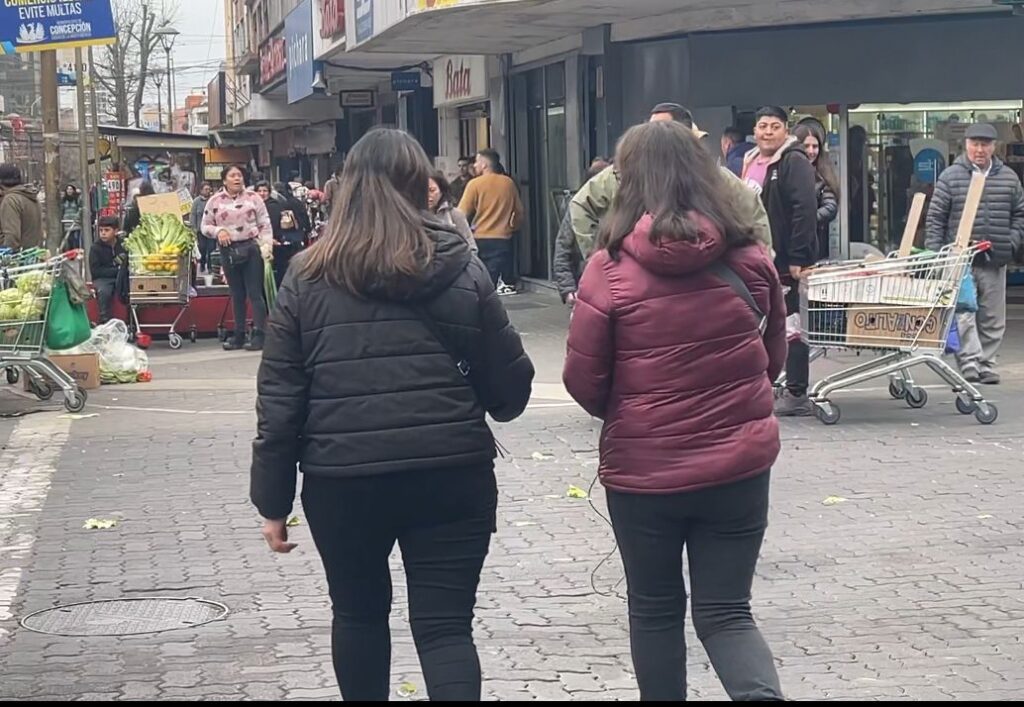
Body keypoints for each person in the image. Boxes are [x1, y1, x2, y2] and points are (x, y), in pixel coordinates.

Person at [250, 128, 534, 702]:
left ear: (346, 187)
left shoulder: (305, 275)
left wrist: (273, 501)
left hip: (343, 481)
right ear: (420, 186)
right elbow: (510, 391)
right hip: (451, 474)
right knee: (445, 626)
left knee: (357, 615)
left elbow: (280, 399)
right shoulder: (463, 266)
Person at [563, 120, 786, 702]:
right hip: (739, 467)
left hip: (645, 472)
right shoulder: (751, 259)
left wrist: (632, 408)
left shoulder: (607, 271)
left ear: (627, 180)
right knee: (729, 612)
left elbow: (584, 382)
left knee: (655, 611)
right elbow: (773, 358)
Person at [571, 103, 773, 259]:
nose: (652, 135)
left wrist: (761, 265)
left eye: (661, 127)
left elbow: (754, 215)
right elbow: (580, 205)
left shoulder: (716, 177)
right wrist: (599, 256)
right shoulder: (624, 174)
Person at [925, 123, 1024, 385]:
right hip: (960, 259)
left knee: (992, 316)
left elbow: (1020, 214)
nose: (979, 150)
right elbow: (936, 217)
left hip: (996, 257)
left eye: (985, 145)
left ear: (994, 147)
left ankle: (987, 364)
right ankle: (969, 363)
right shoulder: (951, 176)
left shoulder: (1009, 178)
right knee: (964, 312)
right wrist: (937, 255)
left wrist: (1012, 242)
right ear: (966, 145)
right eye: (975, 144)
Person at [741, 106, 818, 416]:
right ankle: (765, 385)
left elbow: (805, 209)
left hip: (785, 258)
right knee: (760, 324)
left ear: (786, 131)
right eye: (762, 126)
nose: (768, 132)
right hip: (754, 257)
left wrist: (799, 256)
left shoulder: (793, 161)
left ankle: (797, 391)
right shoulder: (751, 160)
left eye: (775, 126)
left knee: (791, 325)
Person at [201, 165, 273, 352]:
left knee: (255, 293)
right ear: (224, 180)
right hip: (228, 251)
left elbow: (265, 223)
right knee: (237, 294)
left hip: (251, 249)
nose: (237, 179)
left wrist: (267, 247)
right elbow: (205, 226)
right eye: (232, 176)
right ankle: (238, 334)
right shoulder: (214, 201)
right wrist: (219, 231)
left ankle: (259, 334)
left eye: (239, 175)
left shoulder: (253, 198)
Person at [458, 148, 524, 294]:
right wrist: (511, 227)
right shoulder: (508, 183)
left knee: (480, 278)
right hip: (503, 238)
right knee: (492, 280)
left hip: (479, 238)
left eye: (476, 162)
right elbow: (519, 212)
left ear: (484, 164)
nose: (474, 165)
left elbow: (461, 214)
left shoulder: (474, 184)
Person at [552, 157, 611, 305]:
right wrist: (567, 289)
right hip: (586, 284)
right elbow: (562, 249)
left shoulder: (623, 207)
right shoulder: (577, 209)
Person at [793, 122, 840, 261]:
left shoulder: (822, 174)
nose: (811, 151)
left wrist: (806, 220)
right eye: (806, 146)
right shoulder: (786, 170)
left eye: (815, 146)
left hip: (813, 243)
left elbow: (830, 207)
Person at [258, 181, 310, 288]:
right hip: (290, 240)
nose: (262, 193)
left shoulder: (272, 206)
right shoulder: (293, 202)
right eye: (259, 191)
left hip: (276, 244)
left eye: (264, 191)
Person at [89, 215, 127, 325]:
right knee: (104, 291)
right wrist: (116, 271)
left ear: (116, 231)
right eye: (101, 230)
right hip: (103, 279)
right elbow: (95, 271)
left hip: (122, 277)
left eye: (107, 230)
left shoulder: (124, 244)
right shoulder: (95, 248)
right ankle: (104, 321)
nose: (103, 233)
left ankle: (131, 321)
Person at [429, 170, 477, 254]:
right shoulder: (412, 215)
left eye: (432, 190)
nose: (428, 195)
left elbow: (471, 247)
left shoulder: (455, 215)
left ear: (442, 191)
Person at [0, 164, 44, 252]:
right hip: (32, 256)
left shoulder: (10, 200)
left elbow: (12, 237)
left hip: (17, 260)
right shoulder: (30, 197)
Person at [191, 182, 214, 273]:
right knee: (202, 248)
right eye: (206, 189)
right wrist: (193, 229)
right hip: (200, 230)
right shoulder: (196, 201)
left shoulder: (212, 200)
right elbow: (193, 216)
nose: (208, 191)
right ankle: (202, 264)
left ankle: (210, 267)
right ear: (201, 190)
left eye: (209, 189)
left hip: (211, 230)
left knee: (211, 249)